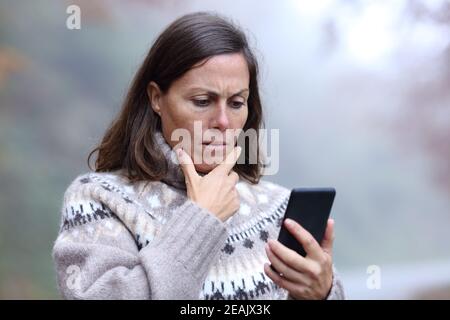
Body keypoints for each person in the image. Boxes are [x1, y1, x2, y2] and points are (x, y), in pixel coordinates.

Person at [52, 11, 345, 300]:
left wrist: (322, 295)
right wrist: (200, 220)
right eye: (202, 101)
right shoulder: (99, 200)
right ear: (156, 98)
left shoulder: (279, 209)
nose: (223, 121)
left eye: (236, 102)